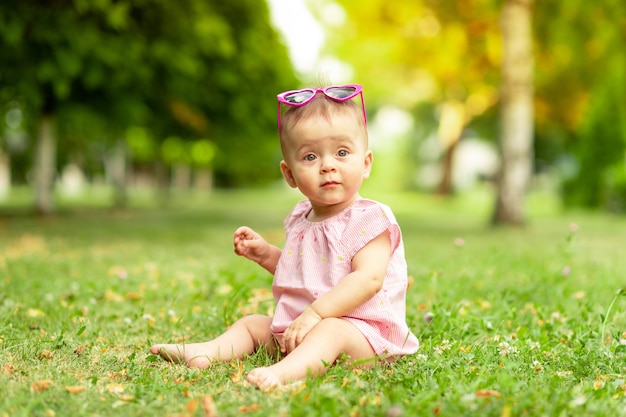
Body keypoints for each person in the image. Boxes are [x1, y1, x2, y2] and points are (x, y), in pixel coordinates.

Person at [150, 84, 419, 391]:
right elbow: (302, 269)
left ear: (366, 163)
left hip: (363, 336)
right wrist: (264, 253)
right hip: (299, 329)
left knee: (331, 329)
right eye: (310, 156)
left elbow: (368, 279)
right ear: (289, 174)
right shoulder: (300, 218)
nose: (328, 164)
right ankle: (208, 351)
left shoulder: (370, 219)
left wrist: (316, 314)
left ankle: (284, 373)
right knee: (252, 325)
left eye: (342, 152)